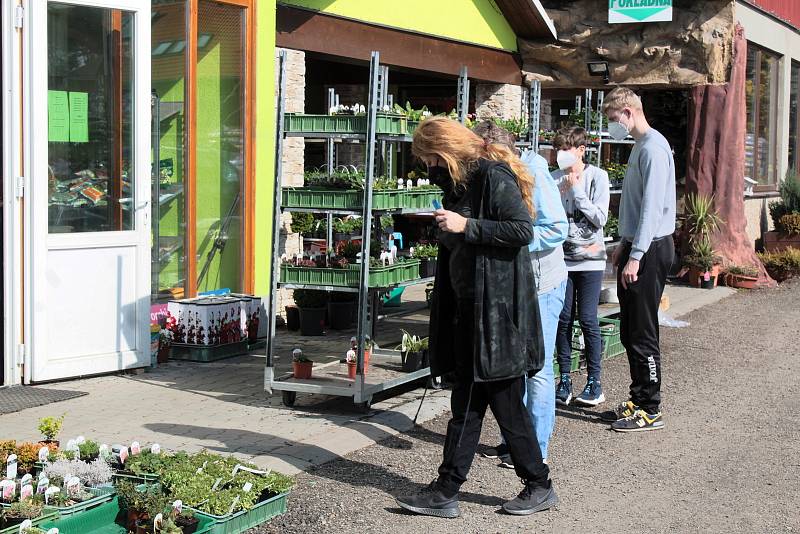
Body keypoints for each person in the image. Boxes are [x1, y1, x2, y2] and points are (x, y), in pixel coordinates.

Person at [394, 117, 557, 518]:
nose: (428, 167)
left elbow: (521, 230)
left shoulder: (493, 175)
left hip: (498, 317)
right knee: (466, 405)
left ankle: (538, 484)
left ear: (446, 151)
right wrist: (449, 231)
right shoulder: (460, 184)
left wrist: (466, 224)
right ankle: (447, 489)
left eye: (430, 158)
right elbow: (470, 241)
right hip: (471, 313)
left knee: (505, 406)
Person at [471, 121, 568, 468]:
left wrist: (515, 242)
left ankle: (536, 450)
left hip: (542, 282)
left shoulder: (534, 171)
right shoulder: (499, 176)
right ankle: (517, 442)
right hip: (517, 283)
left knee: (537, 368)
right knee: (514, 363)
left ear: (492, 150)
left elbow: (558, 228)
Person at [599, 87, 676, 432]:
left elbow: (652, 209)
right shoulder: (639, 148)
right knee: (630, 328)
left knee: (643, 329)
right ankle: (638, 395)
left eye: (613, 119)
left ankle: (650, 406)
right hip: (637, 246)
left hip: (652, 248)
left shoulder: (654, 149)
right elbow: (635, 206)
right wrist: (624, 244)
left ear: (628, 112)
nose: (612, 125)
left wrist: (637, 254)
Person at [552, 127, 611, 407]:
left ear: (581, 149)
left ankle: (594, 382)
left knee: (587, 318)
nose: (561, 155)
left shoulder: (597, 177)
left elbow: (600, 218)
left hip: (590, 260)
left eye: (567, 149)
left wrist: (576, 191)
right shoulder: (554, 179)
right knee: (562, 319)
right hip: (561, 261)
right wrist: (557, 192)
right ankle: (564, 379)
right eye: (558, 150)